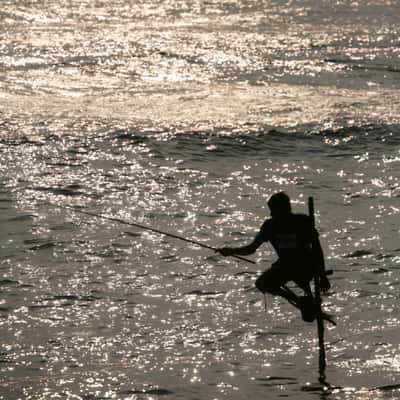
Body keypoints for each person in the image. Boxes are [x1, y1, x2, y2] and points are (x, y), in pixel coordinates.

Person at [217, 192, 331, 322]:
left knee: (298, 282)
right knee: (262, 283)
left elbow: (317, 250)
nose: (271, 214)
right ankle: (300, 302)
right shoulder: (270, 226)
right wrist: (231, 251)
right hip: (285, 266)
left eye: (273, 211)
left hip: (305, 267)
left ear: (284, 209)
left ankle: (308, 301)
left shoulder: (302, 222)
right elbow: (251, 248)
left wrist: (322, 275)